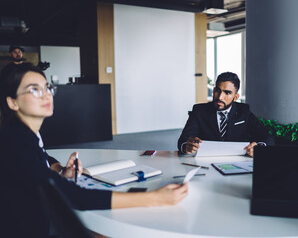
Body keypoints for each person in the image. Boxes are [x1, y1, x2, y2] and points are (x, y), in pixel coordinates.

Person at [0, 63, 188, 237]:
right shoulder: (14, 143)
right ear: (12, 102)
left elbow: (40, 155)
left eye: (47, 87)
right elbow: (75, 197)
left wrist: (60, 170)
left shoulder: (21, 133)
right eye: (34, 89)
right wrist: (155, 198)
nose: (46, 94)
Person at [178, 72, 274, 157]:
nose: (220, 97)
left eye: (227, 93)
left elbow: (267, 138)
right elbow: (183, 141)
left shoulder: (244, 111)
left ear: (235, 97)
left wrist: (259, 147)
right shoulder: (199, 110)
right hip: (205, 163)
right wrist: (187, 146)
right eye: (217, 91)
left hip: (237, 162)